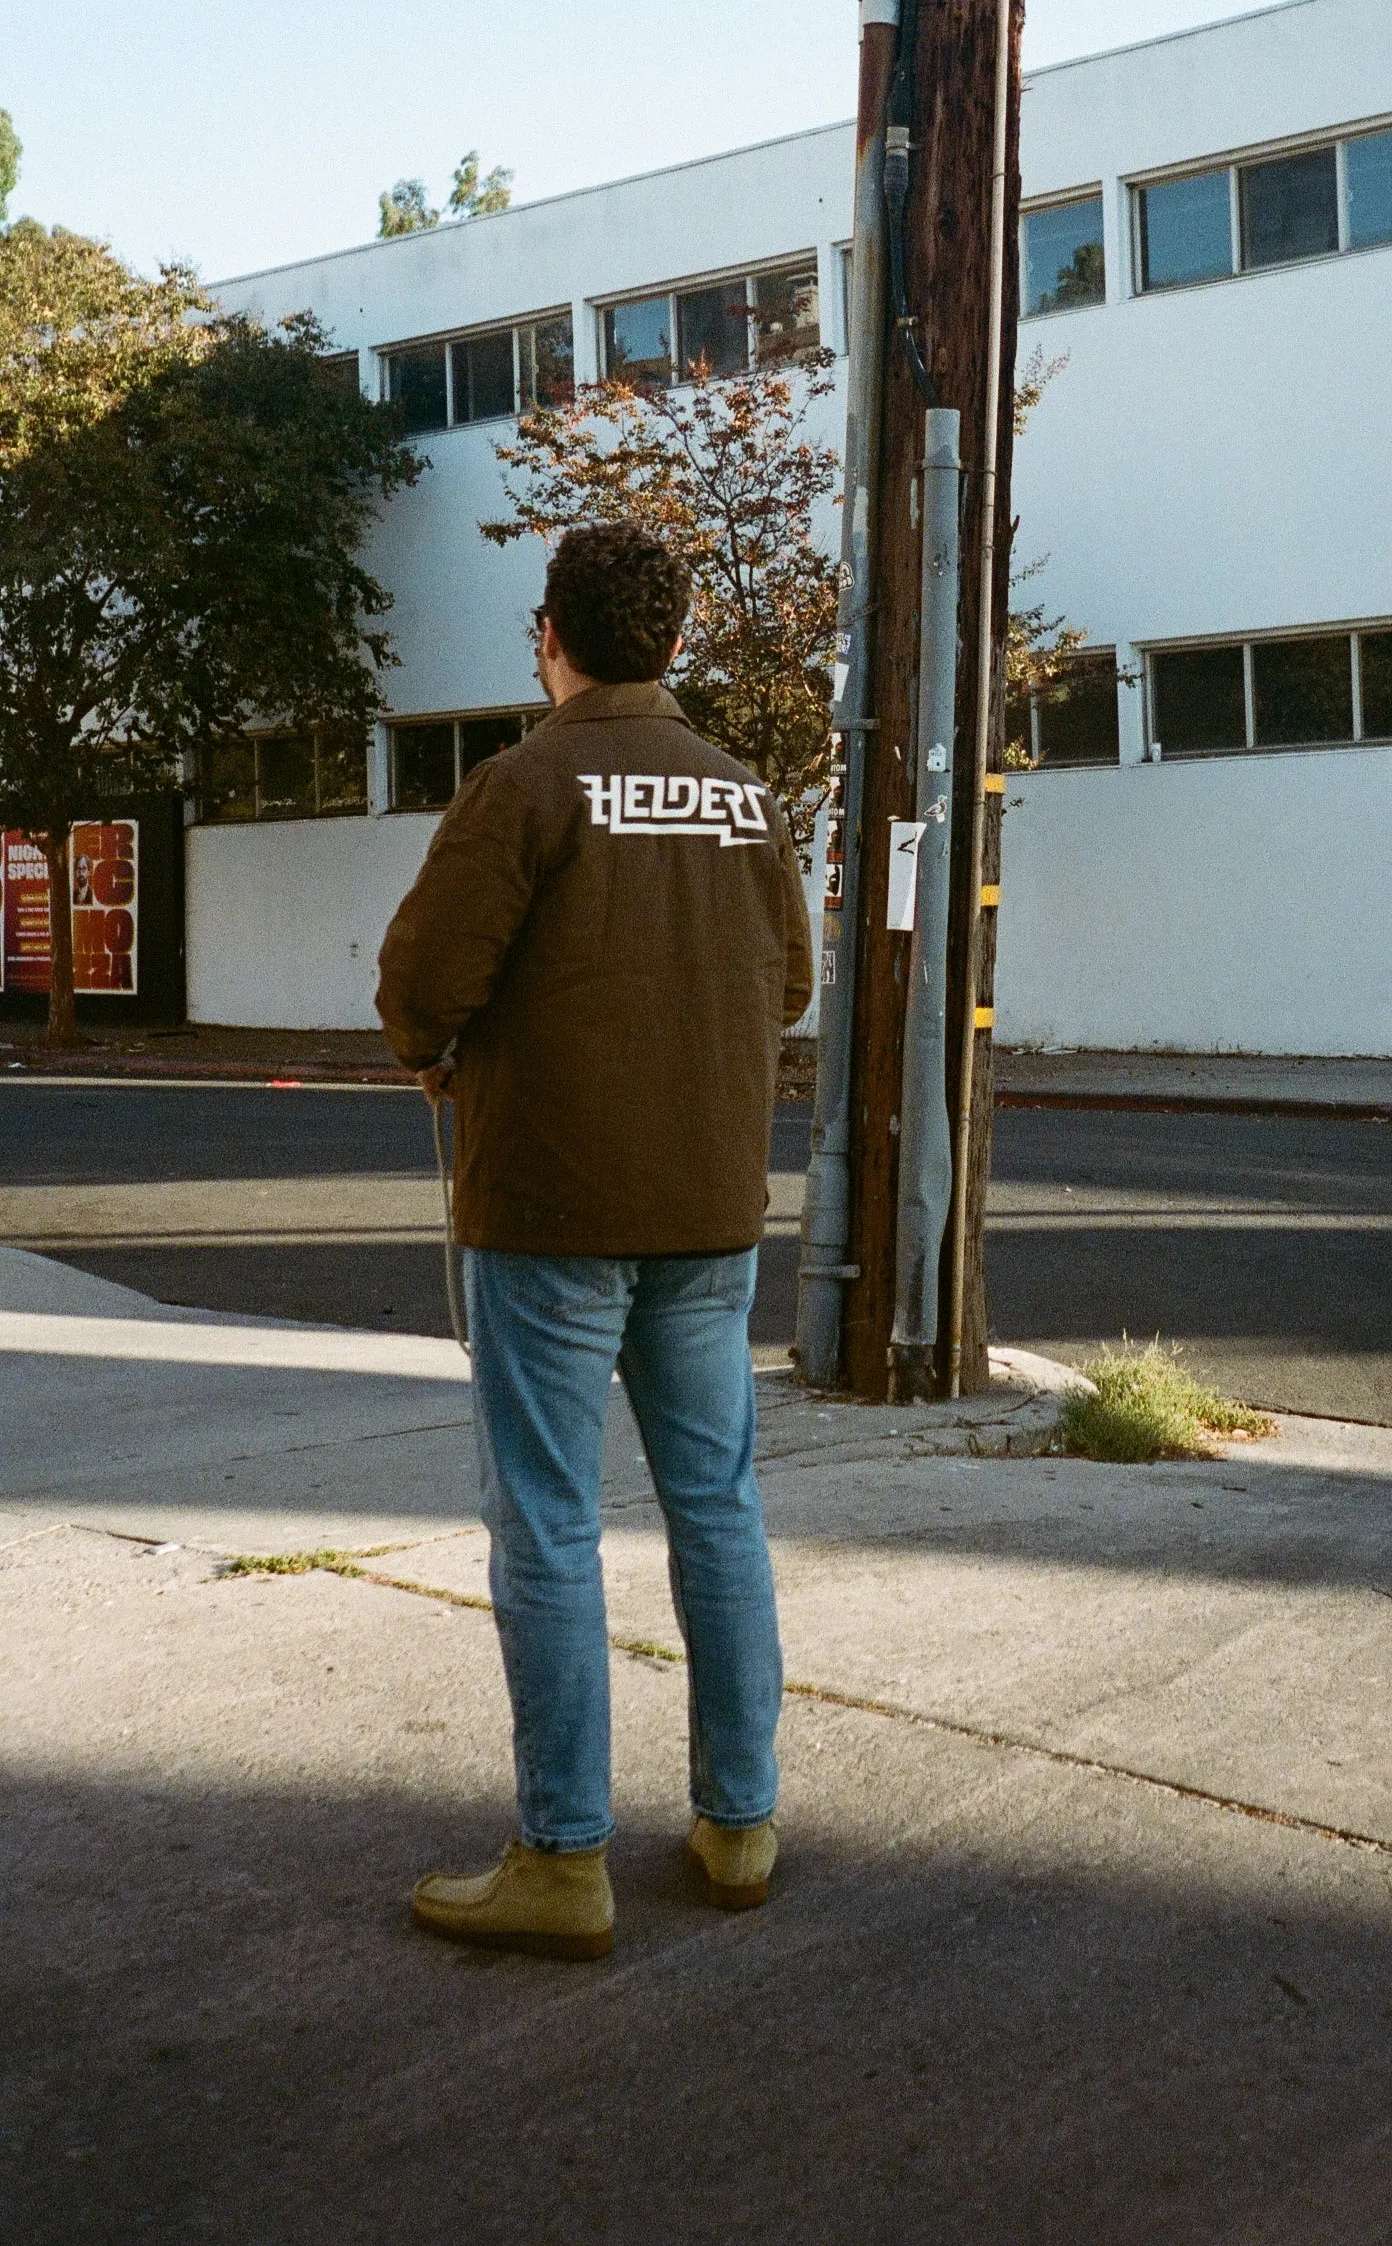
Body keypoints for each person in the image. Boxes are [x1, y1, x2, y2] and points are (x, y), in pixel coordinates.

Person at [377, 518, 813, 1959]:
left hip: (551, 1208)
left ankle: (565, 1858)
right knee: (717, 1503)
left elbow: (427, 977)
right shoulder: (744, 797)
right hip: (708, 1208)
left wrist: (435, 1048)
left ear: (546, 633)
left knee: (550, 1519)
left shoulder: (523, 785)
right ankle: (738, 1822)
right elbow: (789, 983)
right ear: (676, 643)